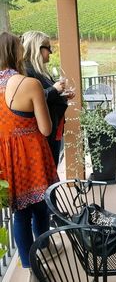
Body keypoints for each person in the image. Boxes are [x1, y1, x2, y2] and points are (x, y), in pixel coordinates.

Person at [0, 32, 59, 278]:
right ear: (18, 53)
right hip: (31, 155)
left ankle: (29, 267)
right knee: (40, 206)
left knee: (19, 213)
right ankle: (43, 250)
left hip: (6, 157)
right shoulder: (29, 84)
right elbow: (46, 128)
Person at [22, 31, 75, 167]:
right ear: (37, 48)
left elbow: (46, 95)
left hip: (53, 130)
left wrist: (61, 94)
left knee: (52, 170)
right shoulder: (27, 72)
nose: (51, 52)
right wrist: (54, 90)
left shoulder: (39, 71)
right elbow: (32, 99)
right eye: (48, 47)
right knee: (49, 172)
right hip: (44, 134)